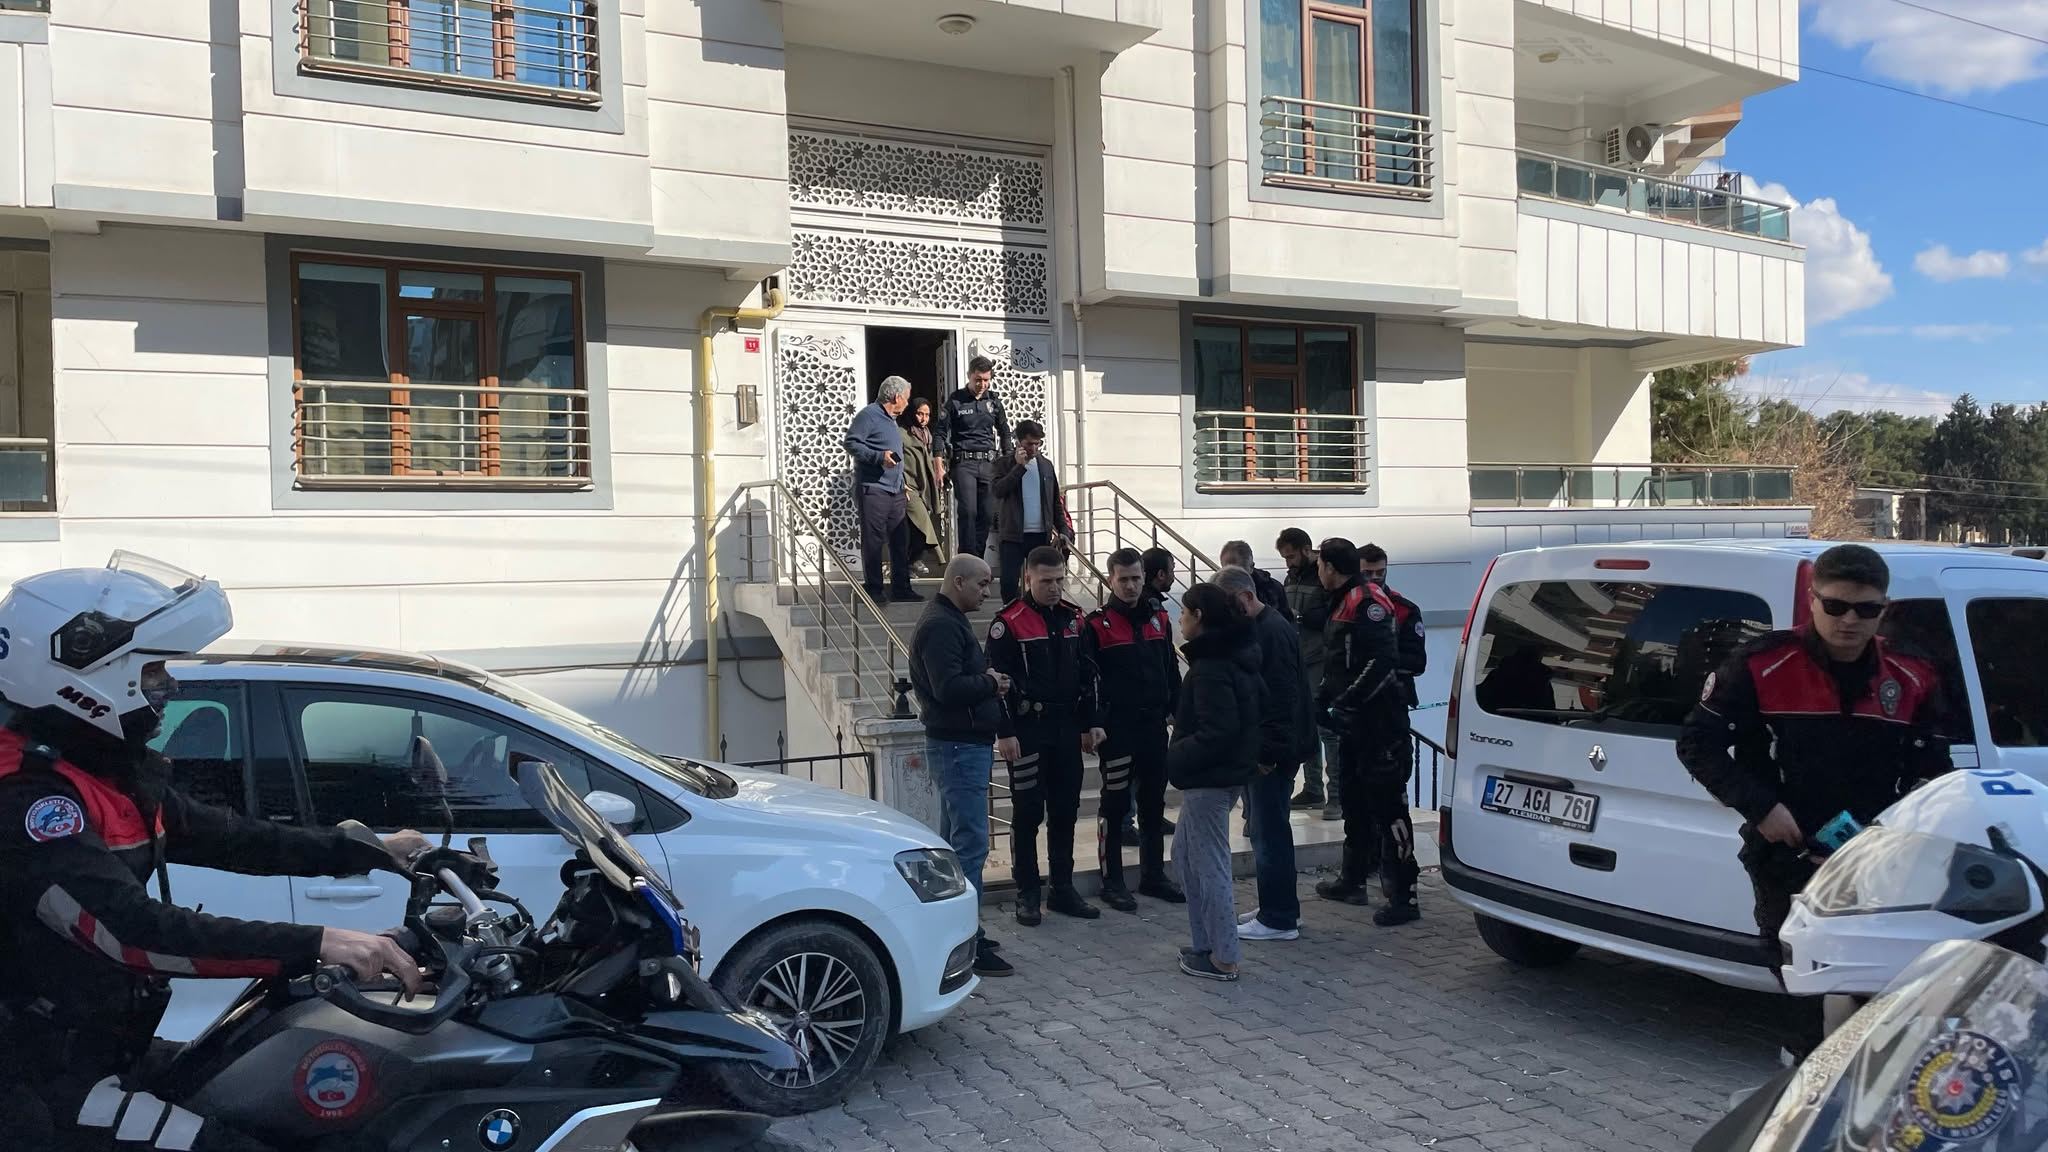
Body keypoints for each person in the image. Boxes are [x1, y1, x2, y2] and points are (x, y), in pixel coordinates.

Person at [0, 554, 428, 1152]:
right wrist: (317, 942)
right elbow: (129, 932)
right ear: (82, 678)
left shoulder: (99, 772)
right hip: (37, 1082)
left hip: (96, 1047)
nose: (169, 687)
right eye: (152, 673)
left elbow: (230, 836)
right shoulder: (28, 797)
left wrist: (366, 849)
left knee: (275, 1093)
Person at [1677, 543, 1949, 1058]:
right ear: (1812, 598)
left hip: (1876, 857)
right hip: (1787, 851)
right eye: (1836, 605)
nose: (1850, 620)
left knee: (1875, 986)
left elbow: (1932, 769)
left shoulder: (1913, 675)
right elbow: (1696, 744)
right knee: (1800, 979)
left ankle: (1866, 1082)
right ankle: (1801, 1074)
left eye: (1866, 609)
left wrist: (1900, 835)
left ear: (1885, 608)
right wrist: (1762, 809)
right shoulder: (1762, 663)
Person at [908, 554, 1014, 977]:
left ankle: (954, 932)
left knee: (953, 845)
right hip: (957, 746)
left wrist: (987, 681)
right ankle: (964, 937)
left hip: (963, 743)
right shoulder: (940, 625)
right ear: (957, 582)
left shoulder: (949, 621)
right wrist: (990, 682)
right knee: (969, 845)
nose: (987, 592)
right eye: (982, 584)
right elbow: (947, 688)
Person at [988, 546, 1103, 926]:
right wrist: (1005, 732)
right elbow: (998, 684)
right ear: (1028, 578)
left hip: (1067, 728)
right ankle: (1027, 892)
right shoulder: (1008, 623)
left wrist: (1091, 722)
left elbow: (1089, 674)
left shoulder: (1075, 619)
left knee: (1065, 811)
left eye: (1059, 580)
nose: (1054, 588)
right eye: (1046, 581)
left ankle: (1062, 889)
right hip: (1028, 730)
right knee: (1027, 813)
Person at [1311, 538, 1420, 927]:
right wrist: (1323, 699)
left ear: (1330, 567)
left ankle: (1404, 894)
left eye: (1319, 565)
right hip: (1354, 726)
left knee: (1390, 809)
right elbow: (1338, 662)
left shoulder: (1367, 601)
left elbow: (1382, 662)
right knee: (1354, 803)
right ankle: (1352, 879)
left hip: (1380, 725)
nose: (1317, 572)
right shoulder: (1341, 600)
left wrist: (1347, 702)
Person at [1167, 583, 1262, 982]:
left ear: (1199, 616)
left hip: (1211, 779)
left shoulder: (1212, 667)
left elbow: (1218, 731)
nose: (1179, 619)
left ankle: (1224, 957)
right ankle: (1206, 942)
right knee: (1185, 857)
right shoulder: (1227, 657)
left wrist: (1175, 755)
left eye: (1184, 612)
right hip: (1216, 776)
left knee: (1209, 866)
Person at [1083, 548, 1184, 912]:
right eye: (1123, 579)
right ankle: (1112, 882)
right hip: (1118, 729)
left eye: (1136, 578)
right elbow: (1089, 680)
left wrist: (1179, 710)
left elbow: (1170, 668)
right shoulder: (1097, 624)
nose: (1130, 586)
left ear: (1144, 578)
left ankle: (1153, 875)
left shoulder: (1160, 617)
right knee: (1114, 806)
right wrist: (1094, 722)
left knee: (1153, 804)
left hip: (1154, 726)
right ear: (1110, 580)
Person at [1216, 567, 1311, 944]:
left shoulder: (1271, 631)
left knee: (1269, 832)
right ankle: (1279, 906)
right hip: (1271, 746)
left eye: (1228, 605)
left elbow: (1281, 697)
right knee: (1265, 830)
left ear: (1244, 597)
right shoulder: (1268, 627)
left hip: (1273, 752)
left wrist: (1268, 753)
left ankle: (1279, 917)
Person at [1278, 530, 1341, 819]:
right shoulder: (1291, 577)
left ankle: (1336, 795)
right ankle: (1313, 788)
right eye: (1284, 558)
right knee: (1305, 725)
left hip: (1320, 659)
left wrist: (1300, 616)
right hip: (1298, 659)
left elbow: (1329, 614)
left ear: (1306, 549)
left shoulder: (1324, 576)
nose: (1288, 562)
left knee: (1327, 729)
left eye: (1291, 556)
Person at [843, 376, 921, 602]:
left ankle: (901, 588)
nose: (907, 403)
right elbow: (851, 443)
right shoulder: (869, 415)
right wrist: (879, 457)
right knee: (874, 540)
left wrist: (902, 483)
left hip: (895, 490)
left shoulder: (891, 420)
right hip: (874, 488)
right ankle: (874, 590)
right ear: (896, 397)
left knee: (900, 540)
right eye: (906, 398)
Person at [935, 355, 1013, 560]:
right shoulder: (955, 400)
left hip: (989, 464)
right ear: (969, 376)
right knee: (968, 512)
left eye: (986, 380)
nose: (982, 384)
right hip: (964, 463)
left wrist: (1009, 461)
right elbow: (940, 433)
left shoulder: (994, 401)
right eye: (978, 379)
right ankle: (966, 559)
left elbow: (1004, 431)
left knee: (986, 515)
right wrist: (939, 466)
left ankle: (976, 560)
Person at [991, 420, 1073, 604]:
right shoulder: (1003, 463)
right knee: (1009, 583)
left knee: (1041, 580)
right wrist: (1019, 467)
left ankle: (1037, 614)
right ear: (1018, 442)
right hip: (1012, 535)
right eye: (1029, 444)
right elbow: (998, 491)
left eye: (1038, 443)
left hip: (1040, 535)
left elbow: (1055, 502)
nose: (1034, 448)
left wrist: (1063, 530)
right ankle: (1011, 615)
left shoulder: (1046, 465)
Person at [1359, 544, 1428, 708]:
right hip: (1353, 698)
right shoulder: (1344, 606)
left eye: (1380, 572)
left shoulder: (1404, 609)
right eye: (1367, 573)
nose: (1375, 577)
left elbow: (1417, 662)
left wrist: (1378, 659)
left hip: (1392, 699)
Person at [899, 397, 946, 577]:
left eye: (927, 415)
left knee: (916, 528)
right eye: (919, 413)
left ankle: (909, 564)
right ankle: (916, 561)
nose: (923, 418)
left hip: (924, 489)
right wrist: (901, 483)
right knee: (923, 524)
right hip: (907, 487)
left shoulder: (927, 436)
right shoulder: (901, 434)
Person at [1219, 541, 1294, 623]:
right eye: (1226, 571)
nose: (1231, 577)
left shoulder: (1274, 589)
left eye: (1237, 572)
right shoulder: (1218, 593)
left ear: (1251, 567)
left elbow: (1287, 621)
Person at [1141, 546, 1182, 637]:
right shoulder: (1151, 609)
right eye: (1171, 571)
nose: (1173, 577)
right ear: (1161, 574)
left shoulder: (1140, 601)